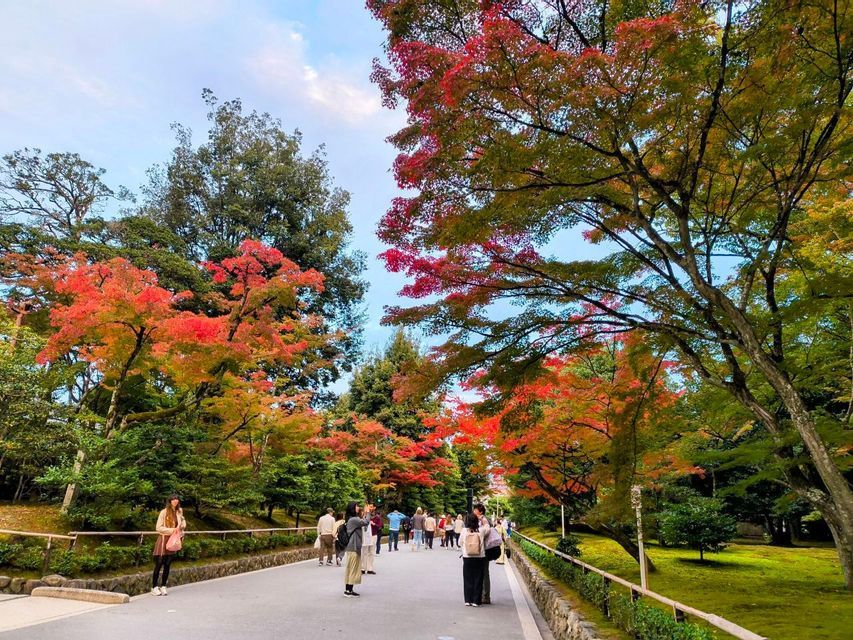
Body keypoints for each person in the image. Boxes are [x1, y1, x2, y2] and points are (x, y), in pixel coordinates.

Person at [152, 493, 186, 596]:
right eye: (173, 499)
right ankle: (154, 587)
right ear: (170, 501)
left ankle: (163, 586)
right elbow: (158, 528)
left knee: (167, 564)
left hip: (173, 540)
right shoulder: (164, 512)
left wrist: (182, 525)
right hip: (163, 539)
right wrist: (172, 530)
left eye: (177, 499)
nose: (175, 501)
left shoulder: (179, 512)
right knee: (159, 563)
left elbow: (182, 525)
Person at [343, 501, 374, 597]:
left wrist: (365, 514)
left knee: (350, 569)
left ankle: (348, 590)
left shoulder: (352, 519)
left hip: (352, 547)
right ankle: (349, 591)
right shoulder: (353, 519)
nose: (358, 507)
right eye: (356, 506)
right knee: (353, 569)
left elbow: (362, 523)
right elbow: (366, 522)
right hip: (353, 547)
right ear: (353, 508)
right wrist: (368, 512)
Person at [461, 513, 487, 607]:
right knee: (478, 578)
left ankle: (468, 600)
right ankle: (476, 601)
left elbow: (460, 542)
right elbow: (488, 527)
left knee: (468, 578)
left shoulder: (464, 531)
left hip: (467, 557)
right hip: (479, 557)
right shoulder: (482, 530)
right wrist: (482, 519)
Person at [473, 503, 492, 604]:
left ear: (480, 511)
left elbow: (487, 531)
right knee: (482, 572)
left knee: (484, 573)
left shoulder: (483, 520)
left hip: (484, 549)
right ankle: (482, 595)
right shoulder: (480, 519)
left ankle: (485, 596)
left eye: (475, 510)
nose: (474, 511)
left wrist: (479, 533)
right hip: (481, 549)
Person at [361, 506, 377, 576]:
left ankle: (370, 568)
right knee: (364, 553)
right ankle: (363, 568)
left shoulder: (376, 518)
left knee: (371, 553)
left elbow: (380, 526)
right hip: (364, 538)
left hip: (372, 537)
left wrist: (374, 524)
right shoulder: (361, 519)